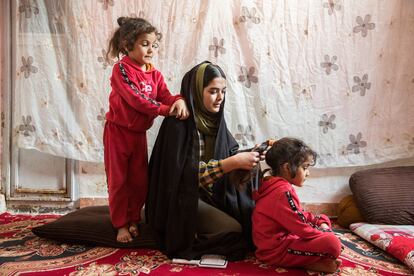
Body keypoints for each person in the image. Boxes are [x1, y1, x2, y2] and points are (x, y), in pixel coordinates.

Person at [146, 61, 269, 260]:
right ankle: (190, 236)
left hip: (209, 197)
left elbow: (228, 155)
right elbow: (184, 178)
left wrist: (249, 156)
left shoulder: (216, 123)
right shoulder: (177, 124)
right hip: (183, 201)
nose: (220, 98)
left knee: (254, 221)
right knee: (235, 232)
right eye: (213, 91)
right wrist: (233, 163)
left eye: (223, 91)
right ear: (196, 92)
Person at [104, 17, 189, 243]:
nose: (151, 49)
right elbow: (136, 99)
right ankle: (121, 224)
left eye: (154, 44)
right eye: (144, 44)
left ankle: (133, 218)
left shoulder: (154, 74)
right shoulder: (121, 69)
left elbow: (165, 95)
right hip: (118, 133)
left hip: (138, 136)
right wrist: (165, 110)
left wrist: (178, 100)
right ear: (127, 44)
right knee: (119, 180)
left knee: (139, 180)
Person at [252, 137, 342, 273]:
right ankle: (309, 262)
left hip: (277, 244)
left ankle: (313, 262)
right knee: (333, 243)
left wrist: (319, 221)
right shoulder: (282, 191)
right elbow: (301, 228)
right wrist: (324, 231)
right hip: (274, 252)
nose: (308, 173)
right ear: (287, 167)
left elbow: (297, 215)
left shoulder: (274, 185)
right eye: (305, 167)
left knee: (321, 219)